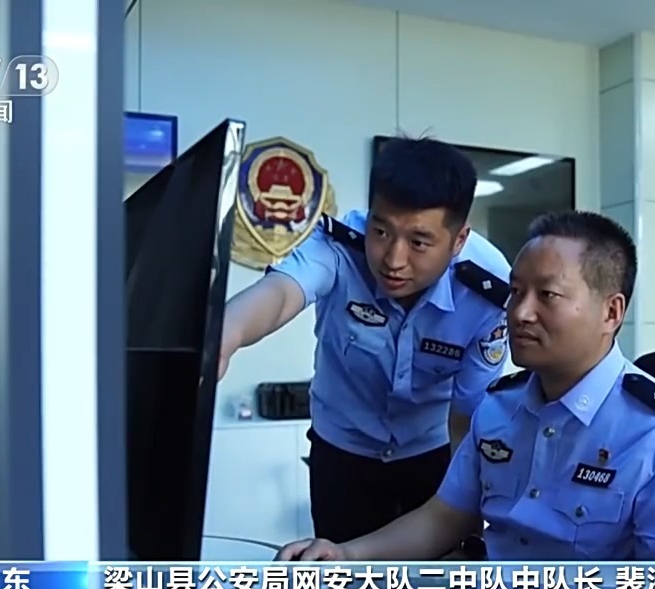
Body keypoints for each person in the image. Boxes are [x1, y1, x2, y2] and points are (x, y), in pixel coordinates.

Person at [277, 211, 655, 562]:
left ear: (611, 312)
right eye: (516, 292)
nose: (520, 313)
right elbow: (444, 517)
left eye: (547, 295)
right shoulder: (499, 408)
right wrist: (346, 553)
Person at [217, 136, 511, 545]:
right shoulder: (339, 244)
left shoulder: (487, 288)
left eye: (419, 242)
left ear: (458, 240)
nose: (393, 260)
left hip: (432, 452)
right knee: (339, 570)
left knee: (432, 579)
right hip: (341, 451)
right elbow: (281, 293)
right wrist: (223, 337)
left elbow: (467, 417)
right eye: (381, 231)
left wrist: (466, 516)